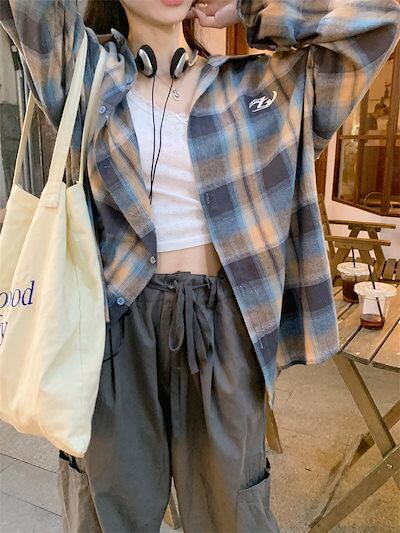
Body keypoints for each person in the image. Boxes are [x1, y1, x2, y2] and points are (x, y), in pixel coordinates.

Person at [1, 1, 399, 531]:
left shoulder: (261, 86)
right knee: (107, 515)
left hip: (223, 329)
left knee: (233, 516)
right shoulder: (83, 72)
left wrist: (251, 8)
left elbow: (379, 21)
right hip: (113, 325)